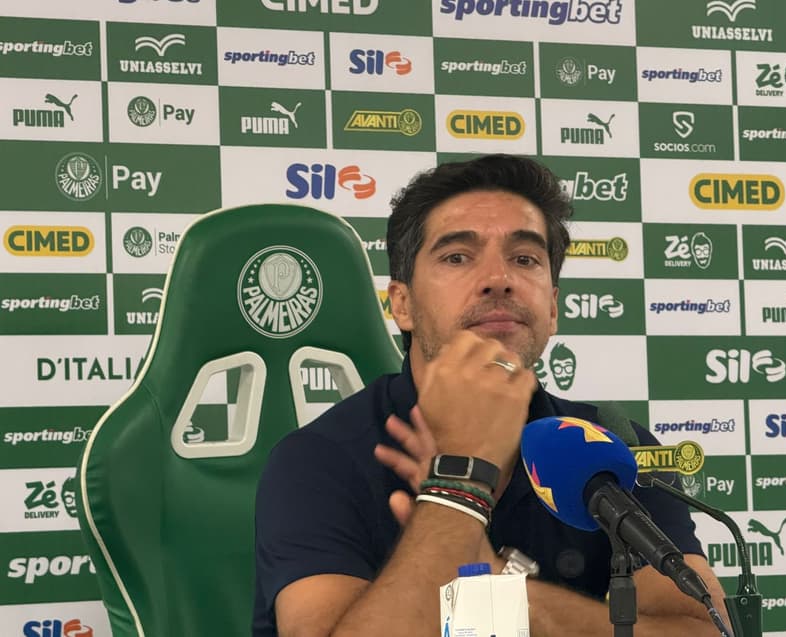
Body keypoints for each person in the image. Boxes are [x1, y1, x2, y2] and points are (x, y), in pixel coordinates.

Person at [253, 154, 730, 636]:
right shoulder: (319, 458)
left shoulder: (615, 446)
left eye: (524, 259)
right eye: (457, 257)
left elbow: (705, 630)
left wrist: (498, 588)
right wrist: (458, 488)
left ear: (552, 308)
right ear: (403, 304)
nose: (499, 279)